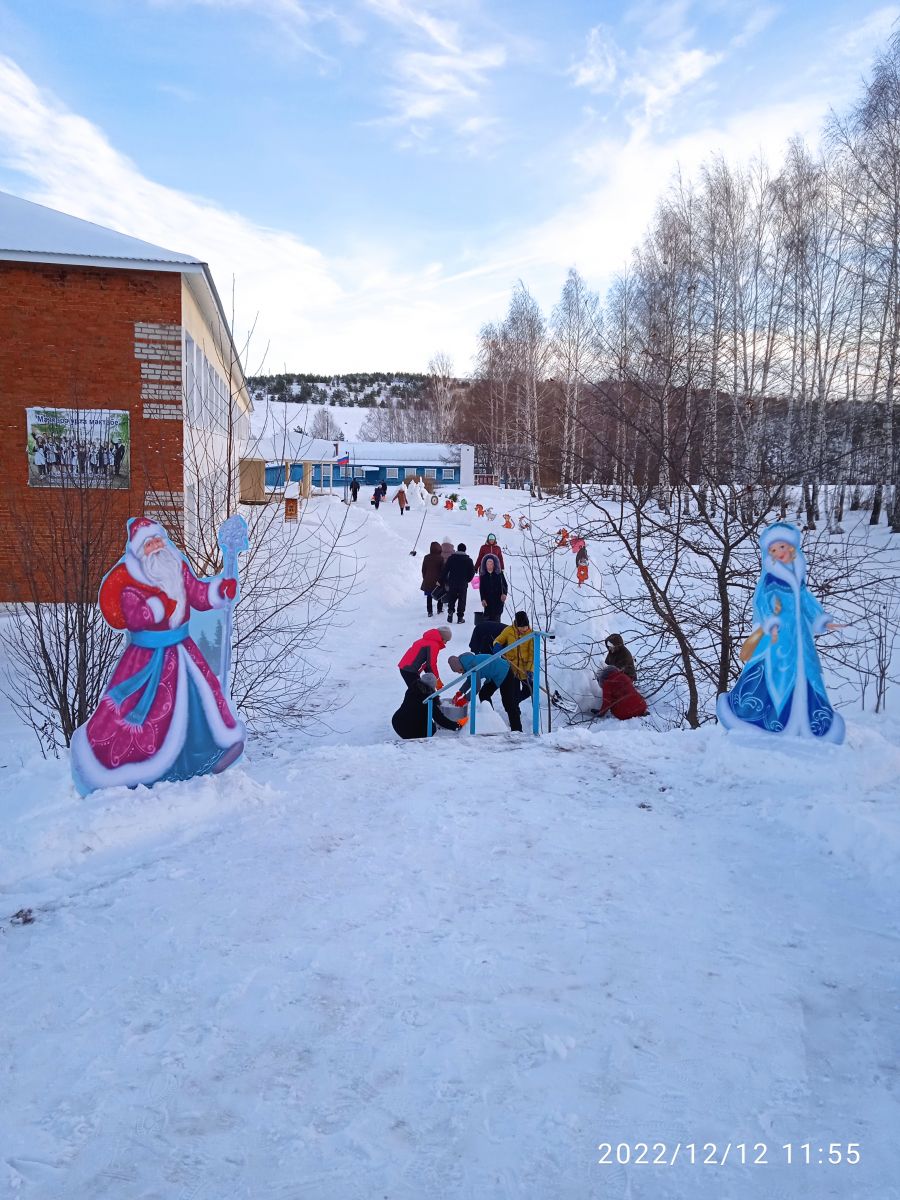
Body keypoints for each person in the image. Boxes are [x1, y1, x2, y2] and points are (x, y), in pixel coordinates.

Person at [70, 518, 245, 795]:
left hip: (184, 649)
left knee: (202, 702)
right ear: (140, 551)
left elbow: (198, 594)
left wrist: (219, 590)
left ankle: (209, 754)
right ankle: (138, 770)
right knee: (149, 713)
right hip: (147, 659)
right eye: (149, 544)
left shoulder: (177, 567)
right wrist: (159, 606)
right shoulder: (131, 582)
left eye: (158, 540)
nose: (157, 546)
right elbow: (135, 618)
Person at [716, 521, 845, 741]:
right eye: (773, 550)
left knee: (807, 674)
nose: (779, 552)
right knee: (775, 673)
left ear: (791, 547)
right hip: (779, 635)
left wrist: (821, 620)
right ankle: (762, 720)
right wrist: (771, 622)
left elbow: (806, 600)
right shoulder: (771, 578)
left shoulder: (797, 575)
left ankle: (808, 723)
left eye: (782, 547)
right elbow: (764, 602)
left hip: (799, 635)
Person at [448, 652, 523, 732]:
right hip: (495, 673)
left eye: (458, 671)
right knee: (484, 694)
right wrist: (460, 692)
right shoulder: (466, 663)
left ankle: (517, 730)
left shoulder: (472, 666)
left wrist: (465, 699)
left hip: (504, 672)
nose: (459, 673)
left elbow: (476, 687)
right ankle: (491, 719)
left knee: (509, 703)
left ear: (460, 667)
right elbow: (470, 680)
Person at [392, 671, 462, 739]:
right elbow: (439, 719)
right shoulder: (428, 699)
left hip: (398, 723)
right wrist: (457, 726)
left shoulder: (411, 689)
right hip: (411, 731)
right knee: (432, 728)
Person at [494, 611, 534, 700]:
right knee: (514, 692)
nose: (524, 629)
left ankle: (515, 702)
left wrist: (530, 669)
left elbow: (532, 655)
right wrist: (497, 644)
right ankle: (514, 704)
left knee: (529, 690)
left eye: (526, 626)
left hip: (524, 669)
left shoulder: (531, 634)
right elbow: (498, 640)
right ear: (517, 624)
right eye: (522, 627)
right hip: (511, 668)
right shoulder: (509, 631)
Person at [398, 626, 452, 691]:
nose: (445, 643)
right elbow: (431, 664)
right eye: (446, 640)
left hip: (407, 668)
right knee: (418, 692)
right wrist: (437, 680)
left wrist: (433, 678)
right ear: (442, 638)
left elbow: (427, 664)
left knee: (419, 690)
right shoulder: (433, 645)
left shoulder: (426, 640)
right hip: (409, 670)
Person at [441, 543, 476, 624]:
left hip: (452, 582)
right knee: (462, 599)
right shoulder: (468, 560)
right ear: (465, 550)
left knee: (452, 597)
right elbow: (472, 572)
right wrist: (467, 580)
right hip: (463, 583)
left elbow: (445, 570)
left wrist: (444, 580)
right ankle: (460, 618)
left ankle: (450, 612)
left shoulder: (451, 558)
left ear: (457, 549)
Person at [479, 553, 508, 621]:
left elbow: (504, 585)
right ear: (485, 565)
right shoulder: (483, 575)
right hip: (487, 601)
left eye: (491, 564)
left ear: (494, 564)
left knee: (497, 618)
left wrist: (504, 594)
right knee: (488, 619)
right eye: (488, 564)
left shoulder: (499, 573)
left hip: (498, 600)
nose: (489, 566)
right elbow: (481, 588)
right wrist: (483, 599)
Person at [421, 541, 445, 618]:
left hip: (428, 580)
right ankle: (439, 609)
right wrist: (441, 580)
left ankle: (429, 612)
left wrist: (425, 577)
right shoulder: (441, 558)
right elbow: (443, 571)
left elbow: (423, 569)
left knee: (429, 596)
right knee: (439, 595)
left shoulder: (426, 557)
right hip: (437, 581)